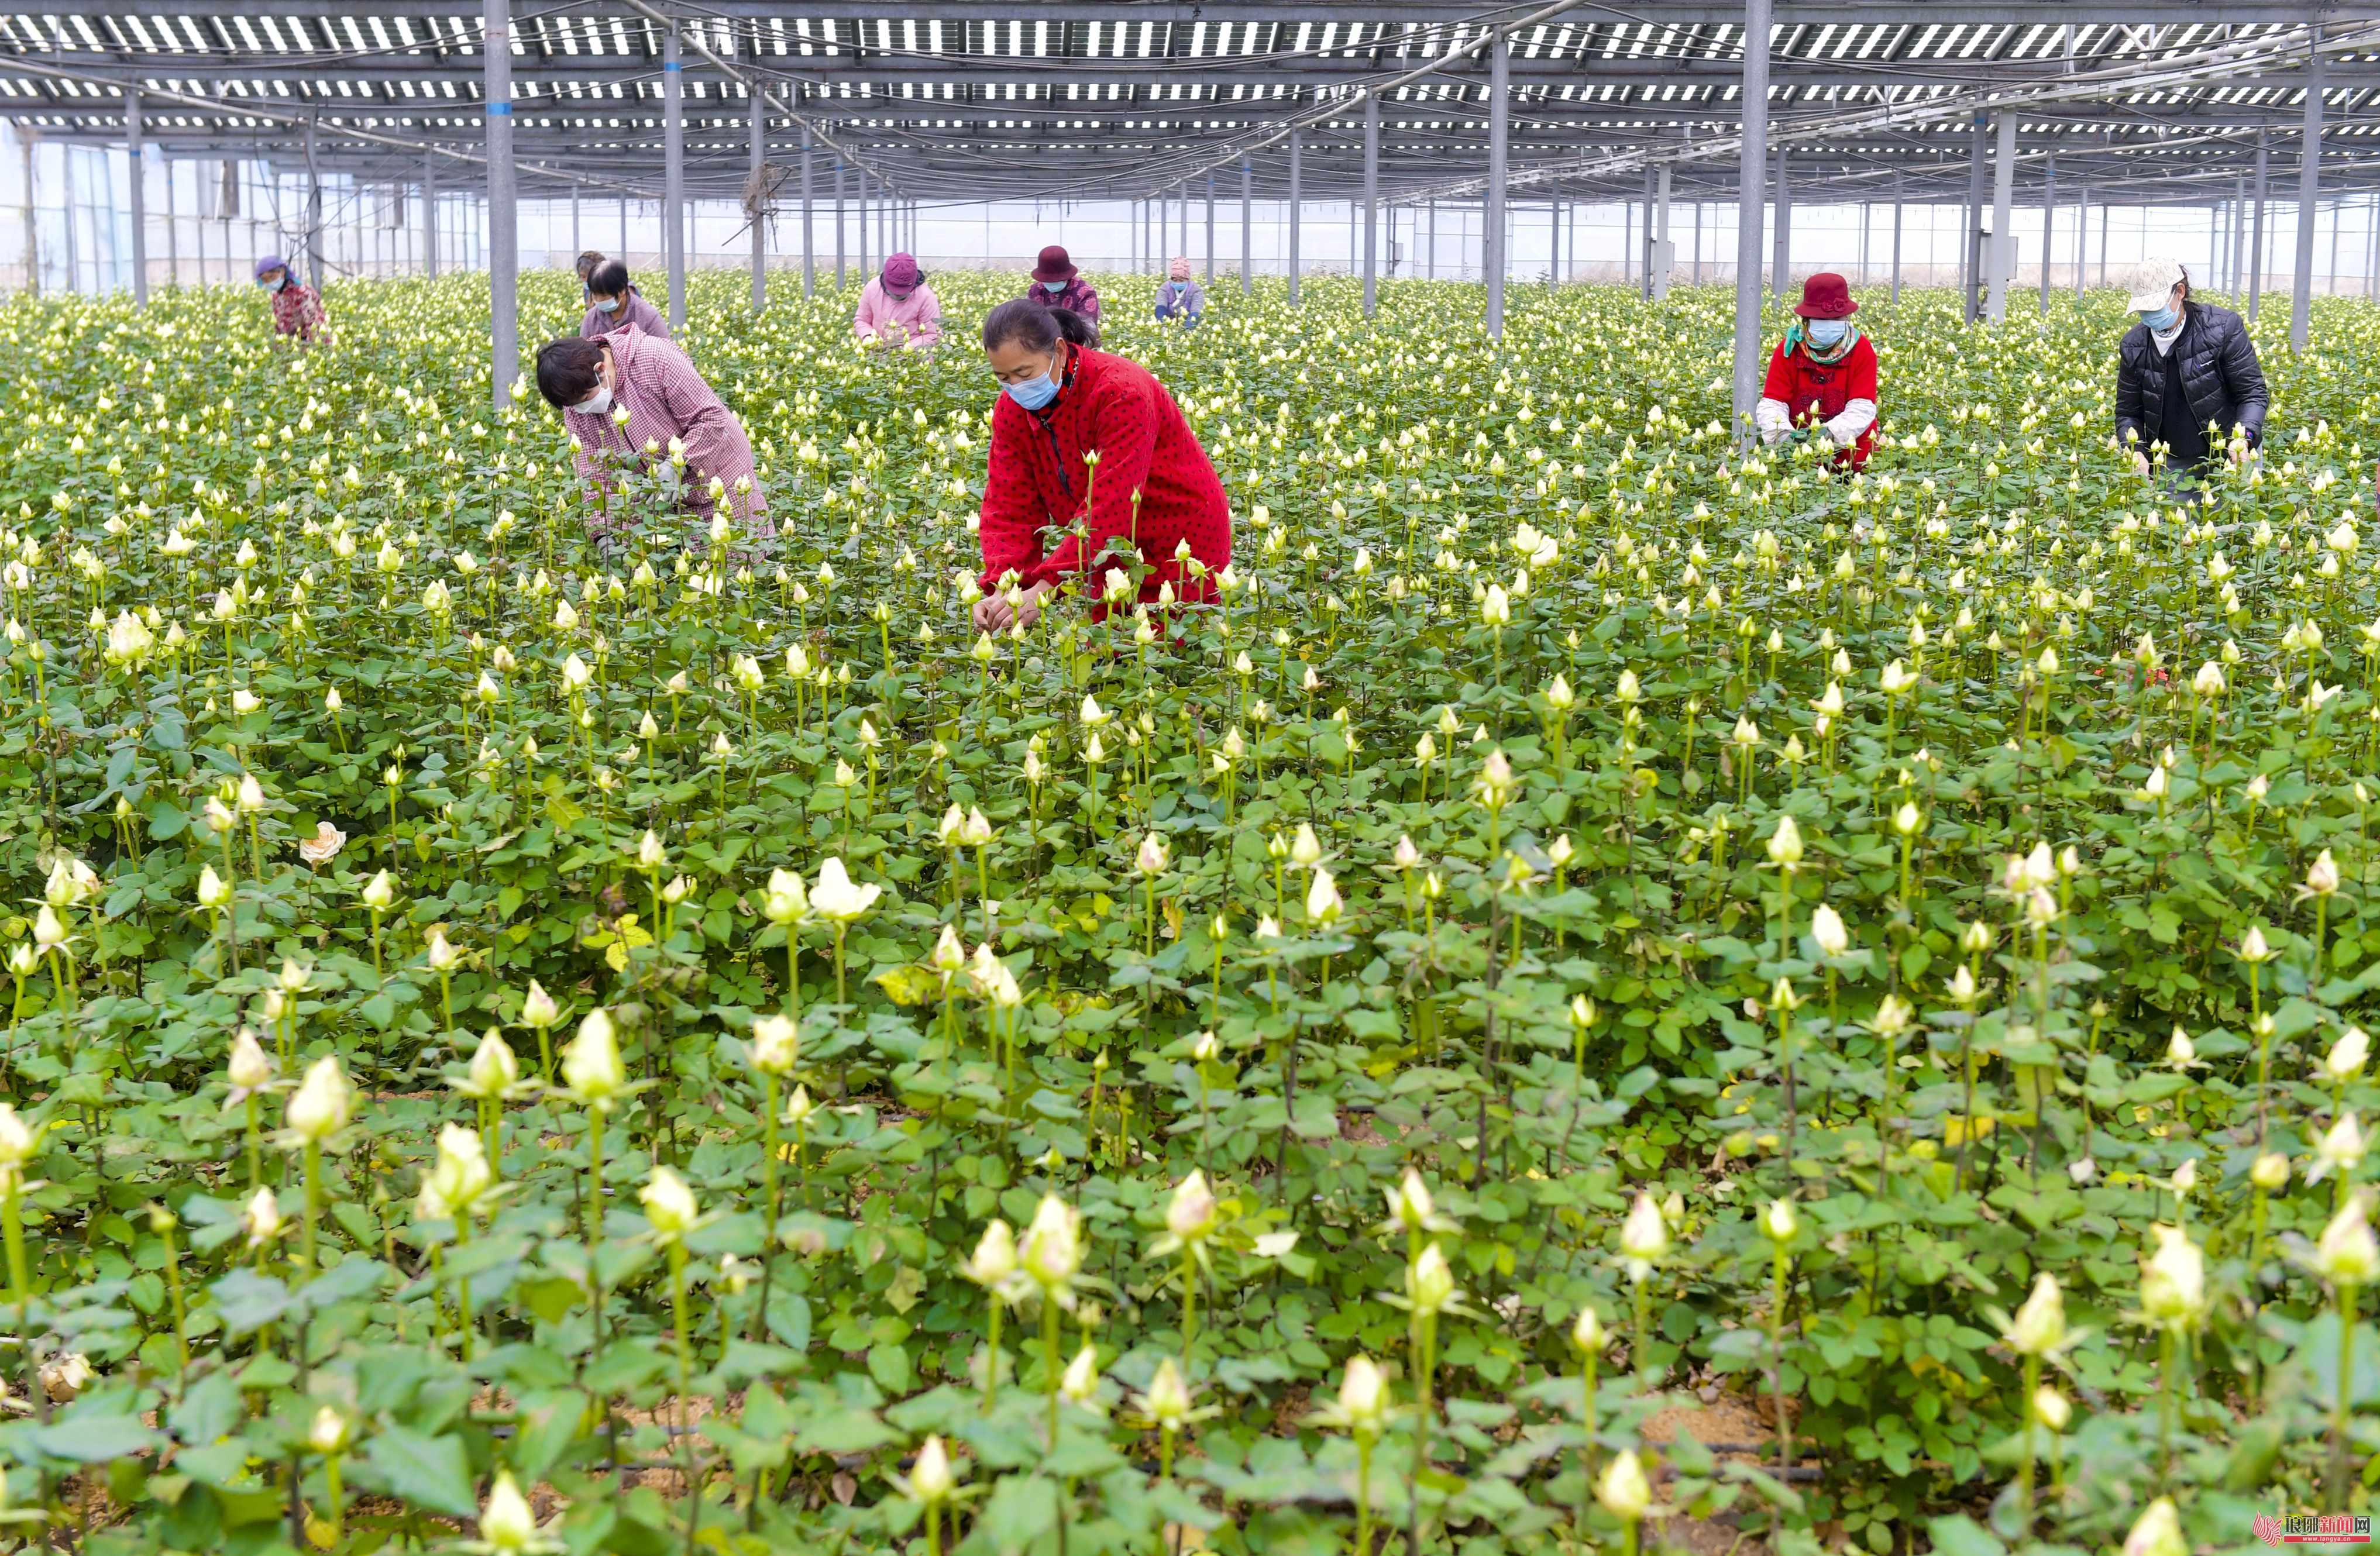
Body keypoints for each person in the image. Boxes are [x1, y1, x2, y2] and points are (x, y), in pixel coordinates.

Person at [971, 298, 1229, 634]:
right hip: (1100, 543)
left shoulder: (1120, 390)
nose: (1017, 388)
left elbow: (1114, 501)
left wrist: (1048, 585)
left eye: (1024, 373)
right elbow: (1008, 504)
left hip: (1178, 534)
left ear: (1060, 352)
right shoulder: (1012, 409)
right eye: (1004, 377)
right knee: (1111, 649)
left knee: (1175, 644)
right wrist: (1006, 586)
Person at [534, 329, 769, 542]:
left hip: (720, 472)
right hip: (656, 499)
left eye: (586, 399)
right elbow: (593, 474)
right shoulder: (576, 406)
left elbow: (710, 418)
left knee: (736, 552)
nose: (584, 409)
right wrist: (602, 535)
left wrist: (677, 466)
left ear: (600, 370)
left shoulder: (655, 358)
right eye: (575, 406)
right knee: (677, 574)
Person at [2114, 257, 2266, 482]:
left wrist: (2244, 437)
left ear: (2180, 292)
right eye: (2143, 308)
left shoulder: (2223, 328)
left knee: (2235, 514)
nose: (2149, 313)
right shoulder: (2133, 345)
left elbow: (2252, 393)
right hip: (2171, 462)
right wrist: (2136, 450)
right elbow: (2128, 413)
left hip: (2231, 453)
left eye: (2155, 306)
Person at [1755, 273, 1876, 469]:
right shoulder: (1789, 349)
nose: (1829, 324)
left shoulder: (1861, 349)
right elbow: (1774, 402)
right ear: (1806, 319)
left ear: (1846, 317)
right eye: (1820, 319)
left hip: (1854, 460)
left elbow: (1862, 406)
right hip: (1801, 460)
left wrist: (1829, 433)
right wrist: (1783, 435)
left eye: (1836, 318)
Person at [852, 252, 942, 350]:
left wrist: (907, 349)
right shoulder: (872, 288)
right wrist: (869, 337)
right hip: (877, 355)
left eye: (902, 291)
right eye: (894, 290)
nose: (897, 295)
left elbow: (933, 334)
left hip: (913, 358)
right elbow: (861, 320)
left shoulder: (926, 296)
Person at [580, 257, 670, 340]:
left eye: (603, 295)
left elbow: (666, 353)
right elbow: (582, 355)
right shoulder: (591, 319)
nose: (598, 300)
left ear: (622, 290)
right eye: (595, 294)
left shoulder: (648, 317)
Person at [254, 255, 324, 343]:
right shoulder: (277, 295)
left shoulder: (302, 292)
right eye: (265, 280)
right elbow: (279, 327)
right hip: (291, 346)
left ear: (282, 271)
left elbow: (314, 325)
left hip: (310, 344)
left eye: (272, 277)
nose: (270, 282)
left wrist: (307, 348)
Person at [1024, 245, 1100, 323]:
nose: (1052, 282)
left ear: (1068, 276)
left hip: (1075, 335)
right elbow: (1028, 320)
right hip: (1042, 335)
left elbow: (1088, 327)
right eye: (1047, 280)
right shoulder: (1036, 290)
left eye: (1057, 279)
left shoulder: (1085, 292)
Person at [1153, 258, 1205, 327]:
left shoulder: (1196, 290)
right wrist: (1163, 324)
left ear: (1187, 279)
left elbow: (1196, 311)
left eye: (1181, 280)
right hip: (1169, 322)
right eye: (1175, 280)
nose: (1178, 282)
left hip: (1188, 321)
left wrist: (1187, 329)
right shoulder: (1165, 288)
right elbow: (1160, 307)